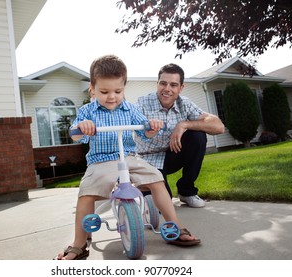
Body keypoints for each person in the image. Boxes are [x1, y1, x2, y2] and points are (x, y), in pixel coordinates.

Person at [56, 55, 200, 260]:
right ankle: (79, 243)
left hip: (130, 157)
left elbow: (146, 132)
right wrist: (82, 127)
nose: (112, 97)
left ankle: (174, 227)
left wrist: (152, 126)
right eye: (104, 92)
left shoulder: (130, 108)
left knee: (157, 179)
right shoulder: (87, 111)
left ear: (124, 88)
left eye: (118, 91)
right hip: (101, 160)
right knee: (86, 194)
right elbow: (77, 134)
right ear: (93, 89)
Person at [135, 63, 225, 208]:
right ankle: (140, 188)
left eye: (173, 85)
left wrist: (184, 124)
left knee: (197, 135)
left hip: (173, 155)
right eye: (163, 83)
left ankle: (187, 191)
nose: (167, 89)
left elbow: (218, 126)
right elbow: (136, 130)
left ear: (181, 88)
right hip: (148, 160)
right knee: (162, 205)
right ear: (157, 84)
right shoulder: (142, 103)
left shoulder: (185, 103)